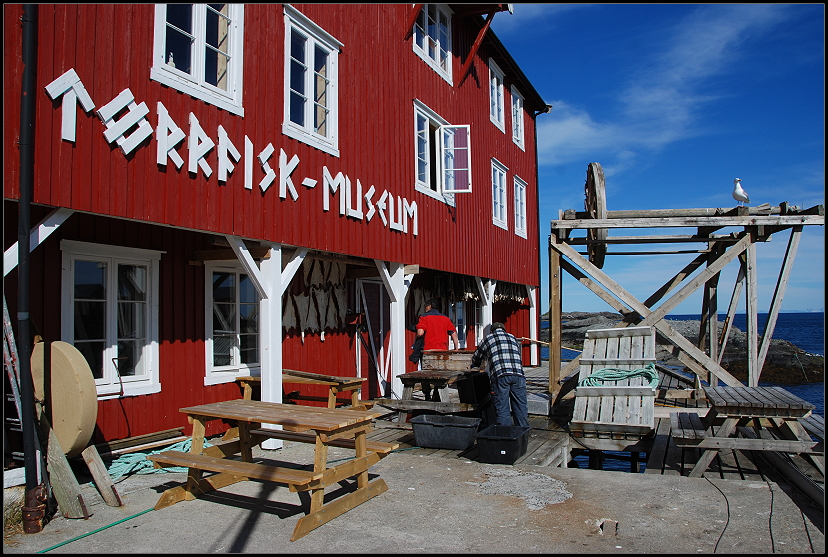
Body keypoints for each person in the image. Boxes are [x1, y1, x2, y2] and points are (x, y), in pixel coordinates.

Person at [469, 322, 529, 428]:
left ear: (492, 331)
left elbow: (476, 357)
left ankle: (505, 435)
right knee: (520, 407)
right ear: (504, 330)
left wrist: (476, 364)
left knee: (502, 408)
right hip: (519, 375)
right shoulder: (512, 338)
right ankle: (522, 434)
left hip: (500, 376)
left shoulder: (489, 338)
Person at [415, 298, 460, 401]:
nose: (425, 308)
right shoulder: (445, 318)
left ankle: (427, 395)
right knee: (440, 374)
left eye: (425, 306)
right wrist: (456, 348)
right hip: (441, 352)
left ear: (429, 306)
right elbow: (453, 333)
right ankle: (437, 394)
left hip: (428, 352)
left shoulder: (424, 317)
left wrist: (417, 329)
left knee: (426, 375)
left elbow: (420, 333)